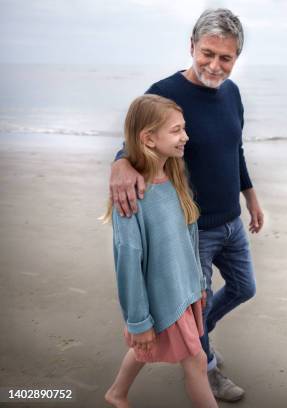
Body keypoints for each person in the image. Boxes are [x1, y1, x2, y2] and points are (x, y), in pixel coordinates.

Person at [109, 8, 263, 402]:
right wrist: (120, 163)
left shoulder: (232, 93)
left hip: (231, 220)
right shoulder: (165, 93)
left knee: (244, 288)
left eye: (225, 57)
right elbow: (137, 139)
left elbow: (236, 150)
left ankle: (190, 335)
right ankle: (204, 364)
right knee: (197, 299)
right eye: (207, 53)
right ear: (191, 46)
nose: (214, 64)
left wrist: (251, 196)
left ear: (236, 57)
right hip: (193, 227)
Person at [103, 95, 218, 408]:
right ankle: (117, 393)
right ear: (148, 139)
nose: (186, 137)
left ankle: (116, 393)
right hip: (162, 295)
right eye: (177, 130)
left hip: (185, 290)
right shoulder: (132, 200)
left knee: (147, 350)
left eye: (184, 129)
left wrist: (198, 283)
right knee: (196, 360)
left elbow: (189, 237)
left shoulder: (176, 179)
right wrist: (138, 322)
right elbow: (127, 263)